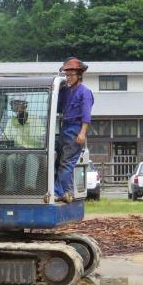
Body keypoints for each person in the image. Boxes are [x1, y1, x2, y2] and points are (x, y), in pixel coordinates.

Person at [54, 57, 94, 203]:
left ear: (79, 75)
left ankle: (63, 192)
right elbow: (57, 107)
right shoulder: (67, 91)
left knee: (66, 162)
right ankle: (64, 191)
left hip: (76, 128)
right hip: (64, 127)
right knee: (58, 160)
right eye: (67, 75)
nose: (68, 78)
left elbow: (86, 115)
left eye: (71, 75)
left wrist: (82, 132)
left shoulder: (85, 92)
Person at [0, 97, 45, 193]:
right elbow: (5, 137)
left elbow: (43, 137)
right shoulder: (11, 121)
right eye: (14, 105)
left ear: (25, 106)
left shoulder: (35, 119)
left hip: (35, 152)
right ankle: (11, 188)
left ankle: (29, 187)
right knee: (10, 159)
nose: (17, 108)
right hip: (18, 151)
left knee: (31, 158)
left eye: (18, 105)